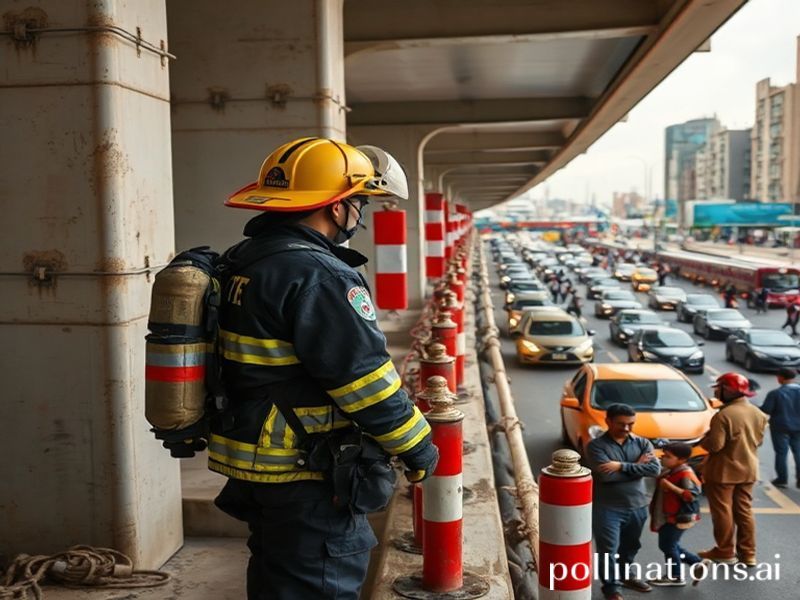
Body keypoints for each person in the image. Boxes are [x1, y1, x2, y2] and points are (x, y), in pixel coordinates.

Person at [212, 138, 438, 599]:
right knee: (316, 583)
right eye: (358, 203)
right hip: (305, 471)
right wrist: (417, 446)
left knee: (279, 579)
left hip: (256, 464)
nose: (360, 215)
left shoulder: (243, 259)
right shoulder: (322, 275)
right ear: (336, 208)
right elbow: (364, 381)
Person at [586, 403, 661, 600]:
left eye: (631, 424)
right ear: (608, 421)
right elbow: (606, 477)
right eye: (621, 424)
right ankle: (611, 588)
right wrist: (637, 468)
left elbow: (654, 470)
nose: (627, 428)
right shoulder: (596, 446)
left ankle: (626, 576)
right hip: (608, 508)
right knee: (608, 550)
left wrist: (620, 466)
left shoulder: (642, 443)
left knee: (631, 546)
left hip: (638, 506)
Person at [698, 372, 768, 567]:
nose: (717, 393)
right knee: (744, 511)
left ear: (727, 390)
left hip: (723, 472)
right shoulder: (758, 413)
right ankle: (748, 554)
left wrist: (705, 439)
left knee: (723, 511)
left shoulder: (723, 415)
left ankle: (725, 550)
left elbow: (715, 446)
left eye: (719, 389)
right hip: (748, 469)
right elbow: (758, 441)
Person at [647, 442, 703, 586]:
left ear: (682, 460)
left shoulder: (685, 474)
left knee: (668, 546)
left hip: (678, 517)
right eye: (664, 455)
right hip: (670, 516)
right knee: (671, 545)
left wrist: (670, 486)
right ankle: (696, 562)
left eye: (669, 456)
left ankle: (675, 576)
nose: (664, 458)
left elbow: (691, 495)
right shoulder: (671, 470)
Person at [759, 367, 800, 488]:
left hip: (780, 426)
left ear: (781, 377)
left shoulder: (776, 393)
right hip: (798, 427)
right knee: (798, 451)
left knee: (781, 452)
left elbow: (766, 409)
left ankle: (782, 479)